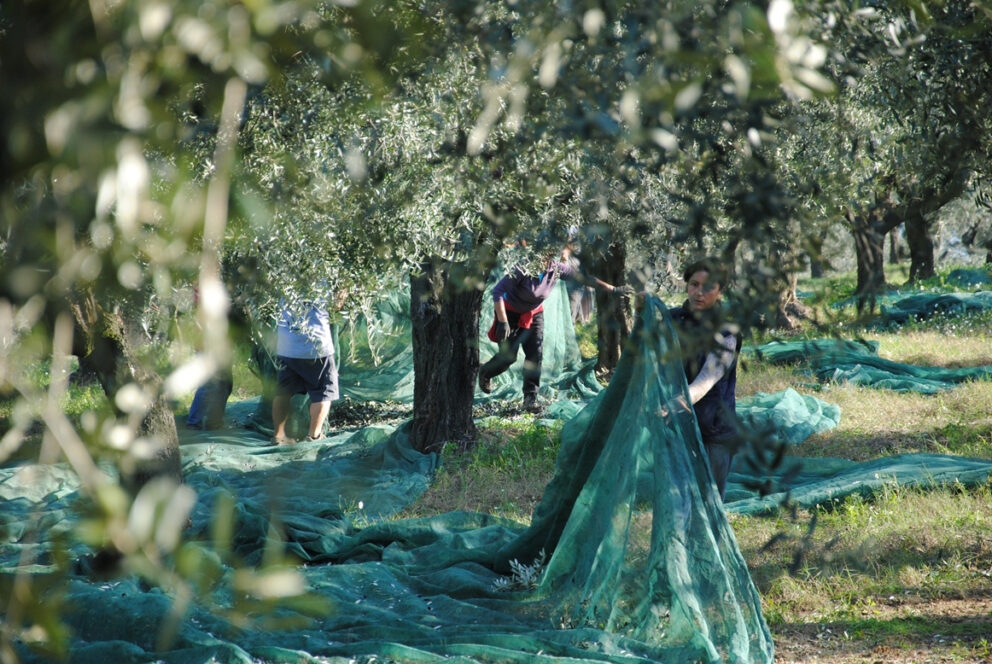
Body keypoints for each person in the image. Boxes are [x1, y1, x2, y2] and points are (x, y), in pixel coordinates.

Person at [478, 247, 632, 413]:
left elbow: (584, 278)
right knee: (508, 357)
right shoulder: (522, 268)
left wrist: (613, 289)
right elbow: (498, 292)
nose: (545, 262)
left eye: (548, 258)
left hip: (534, 314)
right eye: (542, 257)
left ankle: (530, 400)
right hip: (510, 314)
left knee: (535, 356)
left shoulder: (555, 268)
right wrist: (503, 321)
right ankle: (486, 372)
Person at [668, 258, 742, 500]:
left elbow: (705, 381)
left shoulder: (727, 332)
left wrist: (676, 402)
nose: (699, 293)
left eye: (708, 287)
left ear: (720, 291)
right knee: (678, 502)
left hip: (715, 431)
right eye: (694, 284)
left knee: (709, 504)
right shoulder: (672, 321)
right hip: (678, 428)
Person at [271, 298, 339, 445]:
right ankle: (313, 436)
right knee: (323, 392)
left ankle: (278, 436)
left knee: (283, 392)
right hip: (317, 346)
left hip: (287, 345)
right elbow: (336, 305)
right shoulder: (325, 277)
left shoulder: (282, 274)